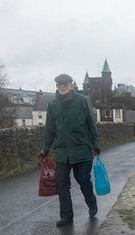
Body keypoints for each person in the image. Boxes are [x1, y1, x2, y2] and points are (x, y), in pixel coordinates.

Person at [41, 74, 101, 226]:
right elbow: (50, 129)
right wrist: (45, 149)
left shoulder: (82, 101)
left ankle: (91, 202)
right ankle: (66, 216)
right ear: (56, 86)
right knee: (61, 184)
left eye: (65, 84)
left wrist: (95, 144)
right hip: (62, 152)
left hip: (81, 150)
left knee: (83, 180)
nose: (62, 87)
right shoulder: (53, 105)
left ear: (71, 85)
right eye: (59, 84)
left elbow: (91, 124)